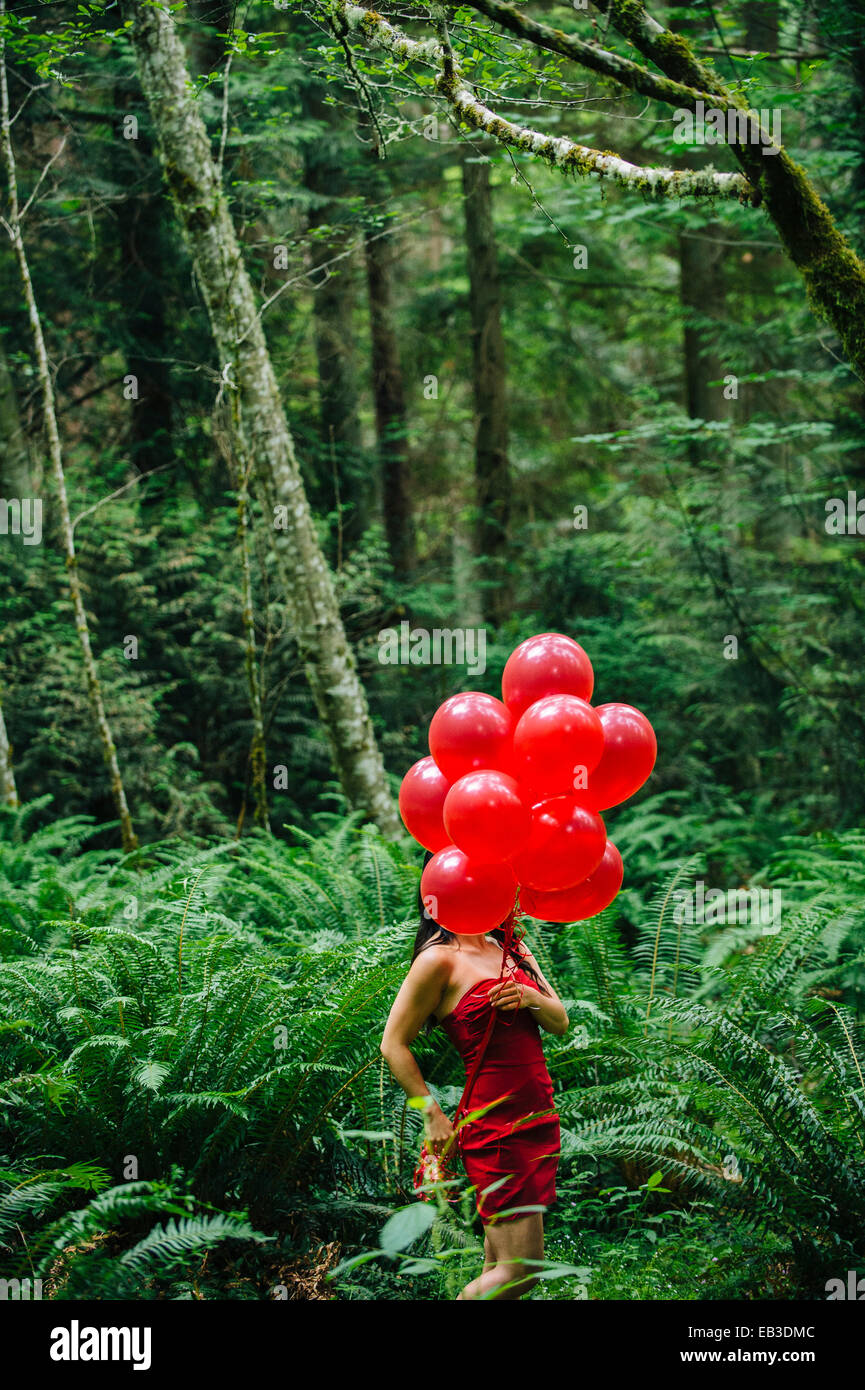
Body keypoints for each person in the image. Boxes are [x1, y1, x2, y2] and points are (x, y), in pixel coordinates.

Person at [380, 857, 568, 1300]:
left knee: (498, 1265)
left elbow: (559, 1021)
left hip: (536, 1114)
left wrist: (527, 996)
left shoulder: (512, 947)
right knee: (522, 1273)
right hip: (494, 1124)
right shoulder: (438, 960)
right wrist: (431, 1115)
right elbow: (393, 1044)